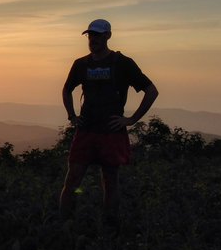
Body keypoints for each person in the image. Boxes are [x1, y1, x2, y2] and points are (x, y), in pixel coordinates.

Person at [59, 19, 158, 226]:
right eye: (90, 35)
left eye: (97, 35)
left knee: (110, 181)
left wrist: (131, 119)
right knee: (72, 180)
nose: (93, 39)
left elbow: (151, 90)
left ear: (108, 36)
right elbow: (67, 89)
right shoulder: (81, 64)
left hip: (111, 132)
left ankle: (110, 227)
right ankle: (63, 225)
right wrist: (72, 116)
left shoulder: (122, 63)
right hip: (86, 130)